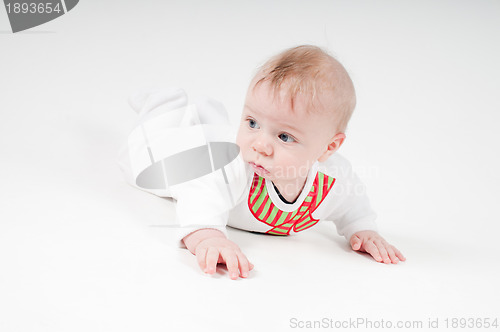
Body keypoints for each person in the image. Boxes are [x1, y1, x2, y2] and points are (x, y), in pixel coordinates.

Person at [119, 45, 405, 281]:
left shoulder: (333, 180)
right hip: (194, 157)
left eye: (284, 136)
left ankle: (200, 114)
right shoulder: (233, 165)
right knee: (141, 161)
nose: (260, 145)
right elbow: (201, 192)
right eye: (252, 122)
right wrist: (207, 235)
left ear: (328, 147)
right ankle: (161, 106)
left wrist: (362, 229)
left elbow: (353, 204)